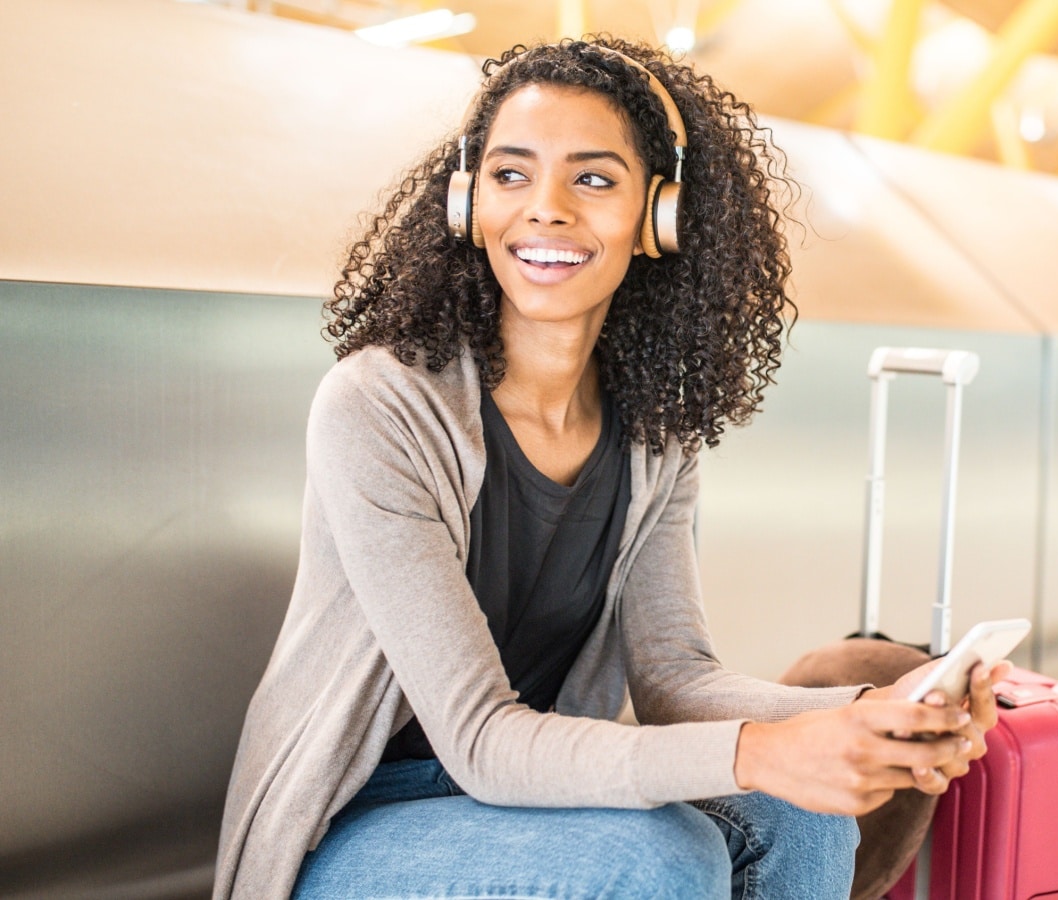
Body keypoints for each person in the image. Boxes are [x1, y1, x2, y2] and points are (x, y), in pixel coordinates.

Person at [214, 37, 1009, 900]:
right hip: (360, 824)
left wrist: (865, 715)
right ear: (466, 201)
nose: (545, 209)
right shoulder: (380, 405)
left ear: (659, 215)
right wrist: (760, 750)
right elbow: (479, 738)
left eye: (592, 179)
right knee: (662, 858)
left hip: (526, 796)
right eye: (511, 175)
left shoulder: (654, 428)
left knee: (804, 817)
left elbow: (676, 680)